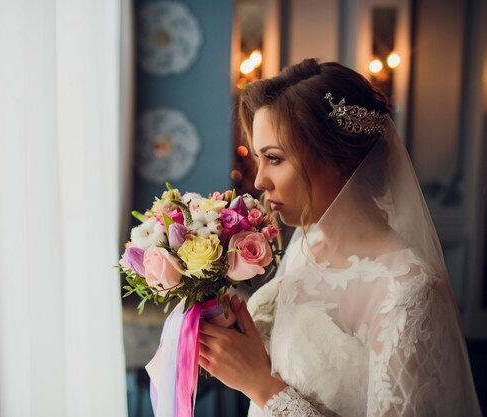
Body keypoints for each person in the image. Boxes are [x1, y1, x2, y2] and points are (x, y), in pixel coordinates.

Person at [197, 58, 483, 417]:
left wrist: (261, 385)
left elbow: (272, 388)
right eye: (259, 158)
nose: (259, 181)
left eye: (274, 158)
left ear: (337, 157)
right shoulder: (305, 246)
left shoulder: (408, 290)